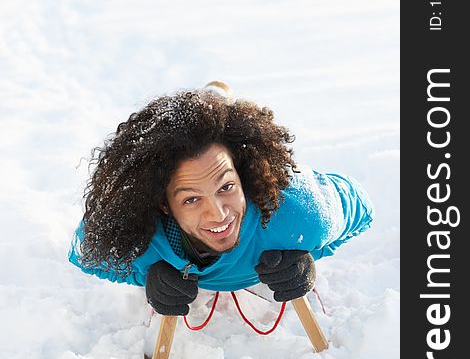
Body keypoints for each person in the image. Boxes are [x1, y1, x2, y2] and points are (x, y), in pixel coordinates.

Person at [69, 82, 374, 317]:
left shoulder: (298, 215)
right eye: (191, 200)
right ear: (163, 203)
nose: (218, 214)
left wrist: (310, 255)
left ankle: (214, 104)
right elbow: (85, 249)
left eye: (226, 187)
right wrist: (147, 275)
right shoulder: (141, 240)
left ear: (242, 174)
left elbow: (360, 204)